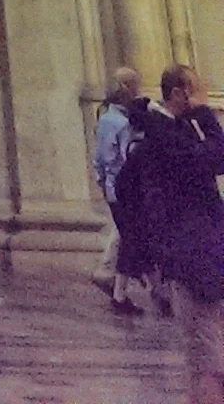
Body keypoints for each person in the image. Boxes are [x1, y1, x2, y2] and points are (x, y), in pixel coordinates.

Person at [134, 63, 224, 403]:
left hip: (201, 252)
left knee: (210, 354)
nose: (202, 98)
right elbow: (218, 157)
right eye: (195, 91)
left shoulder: (172, 129)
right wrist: (204, 113)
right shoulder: (163, 135)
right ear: (177, 94)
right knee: (207, 360)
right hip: (193, 256)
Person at [93, 66, 147, 314]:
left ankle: (116, 279)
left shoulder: (104, 118)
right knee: (132, 239)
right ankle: (120, 293)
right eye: (134, 84)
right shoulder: (122, 123)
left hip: (113, 188)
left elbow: (100, 158)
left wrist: (103, 183)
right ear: (126, 87)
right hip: (126, 189)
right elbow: (129, 157)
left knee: (129, 235)